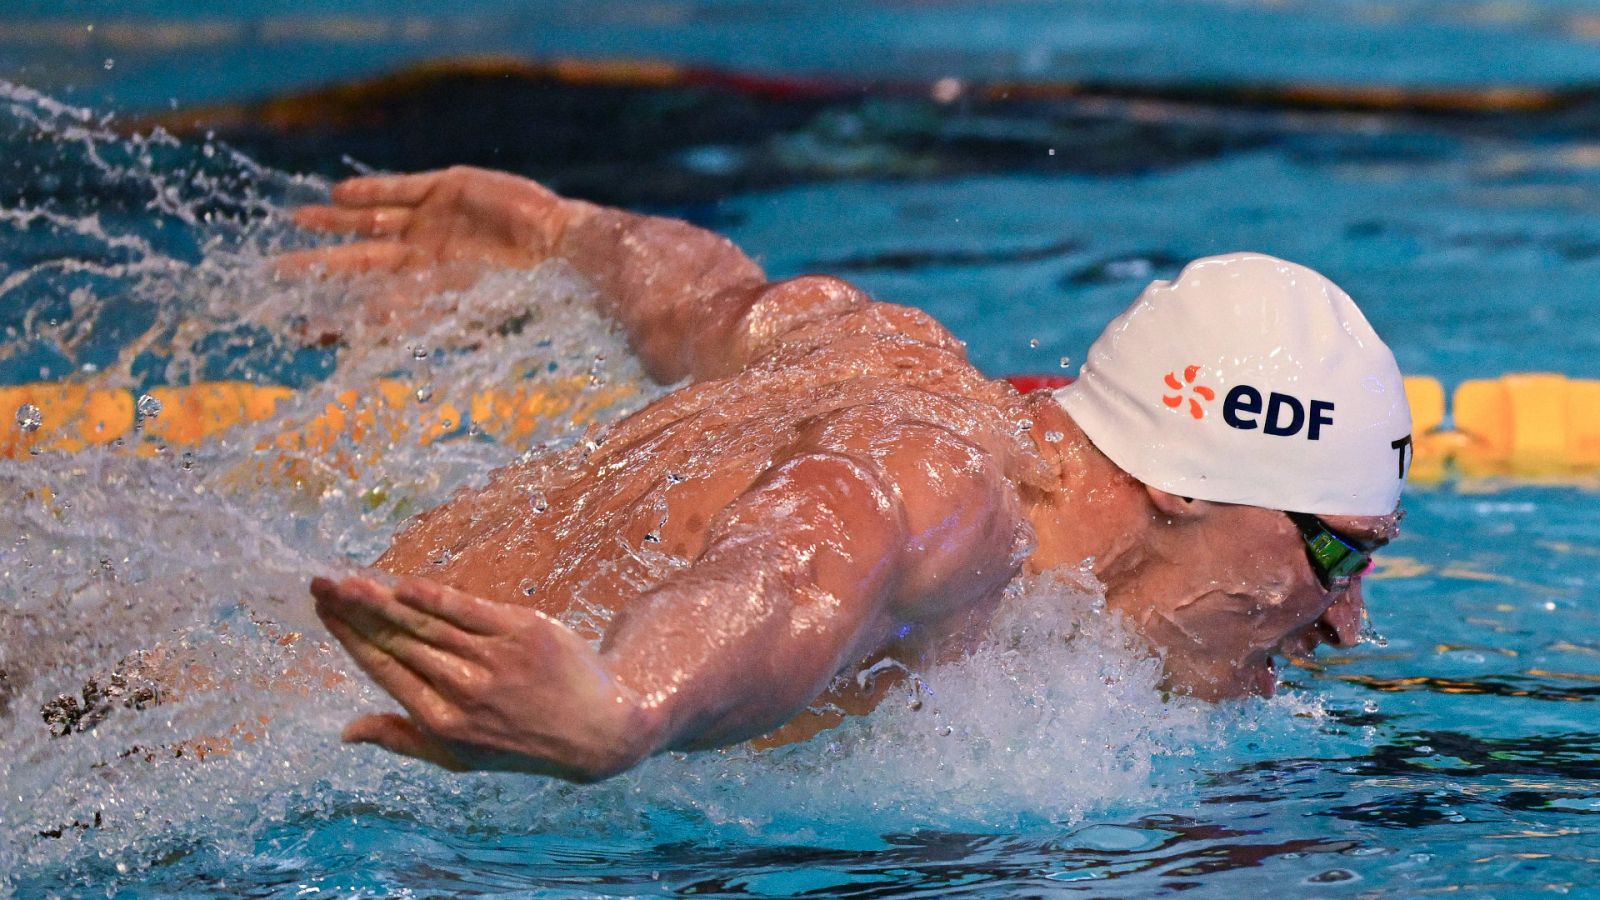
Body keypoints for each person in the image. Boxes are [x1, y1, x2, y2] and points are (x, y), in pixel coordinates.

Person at [281, 166, 1410, 783]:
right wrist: (626, 705)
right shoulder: (958, 497)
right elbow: (802, 557)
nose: (1344, 620)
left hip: (276, 674)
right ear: (1185, 481)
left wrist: (558, 230)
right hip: (305, 754)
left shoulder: (884, 354)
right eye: (1334, 550)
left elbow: (712, 297)